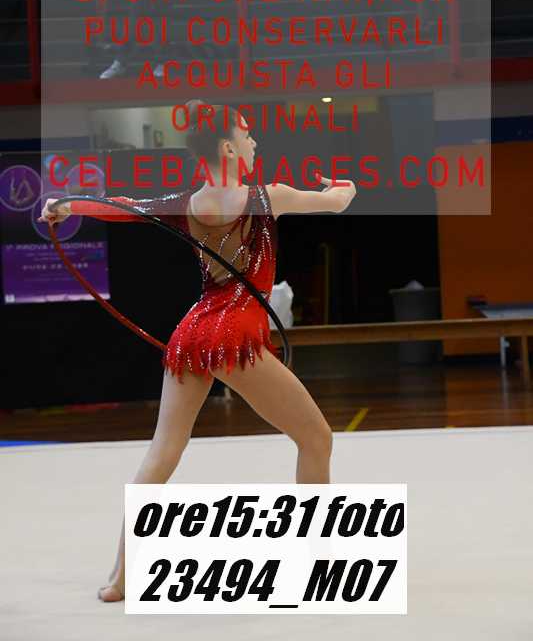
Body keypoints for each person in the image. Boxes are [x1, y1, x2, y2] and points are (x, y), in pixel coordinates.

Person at [38, 101, 357, 603]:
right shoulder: (268, 197)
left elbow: (123, 207)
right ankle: (316, 560)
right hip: (235, 338)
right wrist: (345, 187)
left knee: (163, 452)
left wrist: (66, 205)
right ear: (228, 147)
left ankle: (120, 579)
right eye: (247, 136)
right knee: (316, 438)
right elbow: (336, 203)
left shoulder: (186, 204)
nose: (254, 143)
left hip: (192, 334)